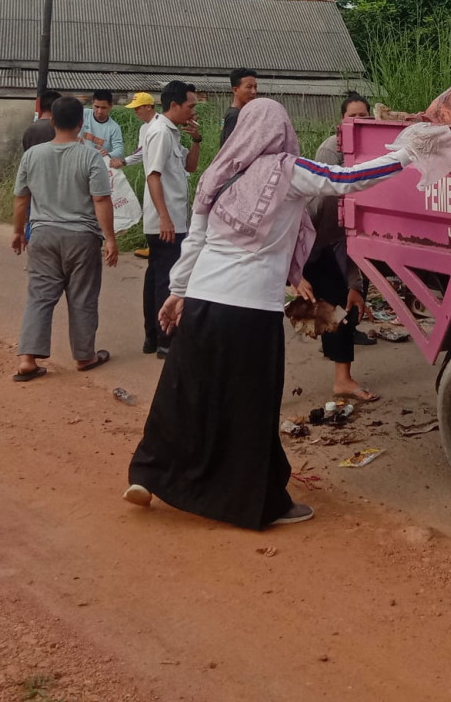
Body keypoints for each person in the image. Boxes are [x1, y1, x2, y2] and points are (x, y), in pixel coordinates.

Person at [123, 98, 425, 530]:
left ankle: (148, 475)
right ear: (279, 130)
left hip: (205, 300)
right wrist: (407, 153)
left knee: (185, 393)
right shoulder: (289, 170)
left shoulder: (219, 173)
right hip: (250, 310)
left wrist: (177, 293)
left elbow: (196, 242)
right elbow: (347, 178)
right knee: (250, 406)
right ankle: (257, 501)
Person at [10, 95, 119, 382]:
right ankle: (85, 356)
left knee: (39, 296)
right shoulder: (90, 156)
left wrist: (18, 231)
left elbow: (22, 198)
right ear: (82, 123)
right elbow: (101, 201)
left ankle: (27, 359)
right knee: (82, 297)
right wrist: (110, 238)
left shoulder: (32, 156)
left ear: (53, 121)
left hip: (43, 235)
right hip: (81, 237)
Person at [306, 92, 380, 403]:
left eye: (364, 116)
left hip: (331, 241)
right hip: (305, 243)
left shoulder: (372, 158)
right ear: (342, 121)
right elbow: (331, 223)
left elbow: (349, 233)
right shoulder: (331, 152)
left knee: (342, 303)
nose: (358, 121)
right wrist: (295, 272)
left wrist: (355, 284)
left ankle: (342, 378)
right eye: (353, 116)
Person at [140, 80, 201, 356]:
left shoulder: (172, 132)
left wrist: (196, 140)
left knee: (157, 276)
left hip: (172, 218)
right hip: (167, 220)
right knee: (167, 279)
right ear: (174, 105)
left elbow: (190, 166)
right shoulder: (161, 132)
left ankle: (153, 337)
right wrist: (164, 217)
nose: (193, 111)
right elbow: (153, 175)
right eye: (190, 106)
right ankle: (165, 341)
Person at [81, 90, 125, 168]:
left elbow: (119, 149)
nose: (99, 111)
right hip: (80, 160)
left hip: (98, 164)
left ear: (111, 106)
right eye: (96, 107)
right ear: (92, 104)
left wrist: (108, 154)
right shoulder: (83, 114)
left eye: (103, 108)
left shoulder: (114, 127)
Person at [219, 68, 259, 146]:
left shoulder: (232, 113)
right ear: (235, 90)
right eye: (249, 87)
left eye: (255, 87)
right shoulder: (235, 116)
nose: (254, 91)